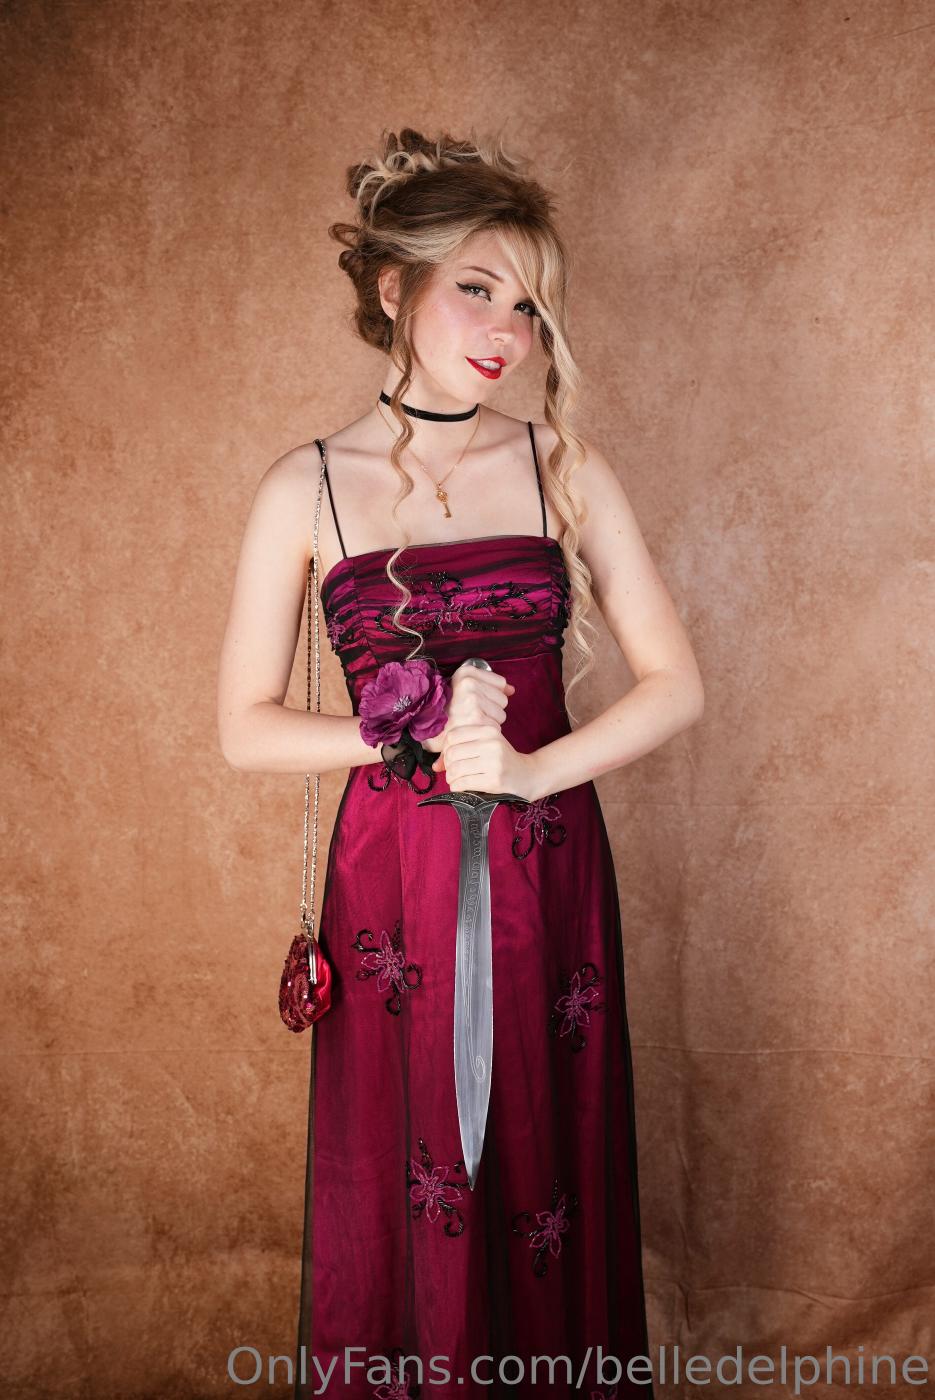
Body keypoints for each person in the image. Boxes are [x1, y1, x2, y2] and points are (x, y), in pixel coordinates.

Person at [217, 127, 704, 1400]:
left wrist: (535, 773)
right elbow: (244, 726)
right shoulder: (305, 488)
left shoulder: (560, 466)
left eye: (528, 304)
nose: (506, 329)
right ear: (394, 288)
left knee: (540, 1156)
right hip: (391, 884)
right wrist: (406, 731)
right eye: (476, 288)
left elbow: (675, 682)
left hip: (548, 869)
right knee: (410, 1168)